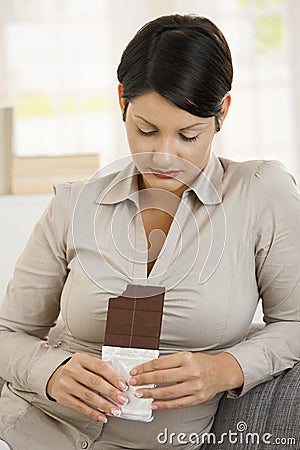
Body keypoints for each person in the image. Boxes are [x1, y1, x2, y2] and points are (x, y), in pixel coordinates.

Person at [0, 13, 299, 450]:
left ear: (223, 113)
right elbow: (8, 332)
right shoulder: (74, 203)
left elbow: (294, 321)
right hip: (28, 427)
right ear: (122, 100)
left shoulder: (259, 193)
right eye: (146, 130)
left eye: (188, 135)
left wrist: (225, 369)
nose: (164, 155)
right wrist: (51, 373)